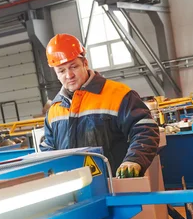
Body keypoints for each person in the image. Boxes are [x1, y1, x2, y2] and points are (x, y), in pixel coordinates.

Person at [41, 33, 160, 178]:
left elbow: (145, 129)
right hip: (75, 191)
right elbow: (48, 148)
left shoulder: (118, 95)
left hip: (115, 187)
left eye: (73, 67)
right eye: (61, 70)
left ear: (85, 63)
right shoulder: (55, 109)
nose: (69, 75)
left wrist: (134, 160)